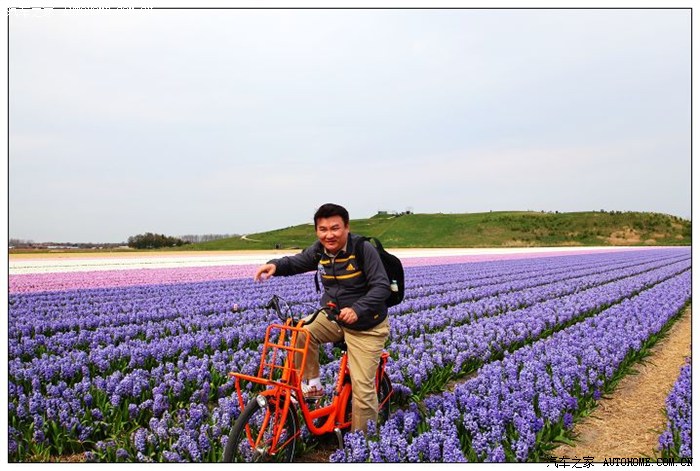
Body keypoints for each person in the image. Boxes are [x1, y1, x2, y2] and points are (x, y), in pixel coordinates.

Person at [254, 203, 391, 432]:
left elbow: (381, 287)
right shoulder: (320, 250)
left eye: (335, 228)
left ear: (346, 227)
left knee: (362, 388)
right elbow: (298, 261)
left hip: (366, 325)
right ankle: (313, 385)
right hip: (334, 317)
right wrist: (275, 266)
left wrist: (357, 309)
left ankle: (364, 442)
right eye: (323, 229)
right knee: (301, 331)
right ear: (317, 230)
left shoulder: (363, 249)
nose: (329, 235)